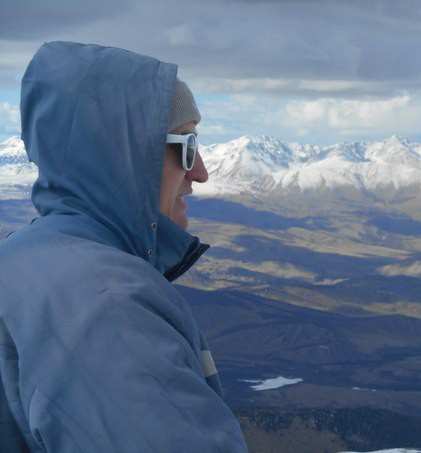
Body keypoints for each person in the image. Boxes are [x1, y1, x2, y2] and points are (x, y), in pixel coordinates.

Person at [0, 41, 248, 451]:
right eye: (186, 147)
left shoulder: (24, 258)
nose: (200, 172)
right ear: (126, 154)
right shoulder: (107, 308)